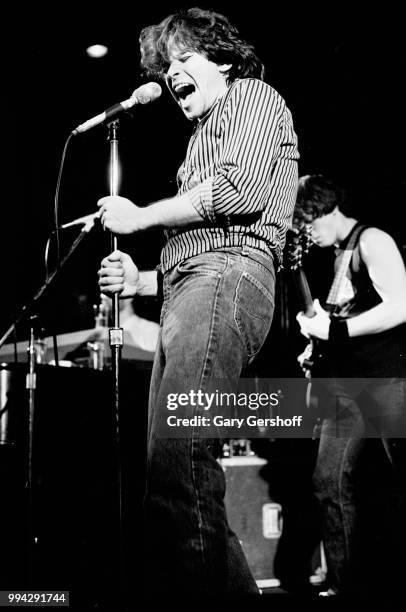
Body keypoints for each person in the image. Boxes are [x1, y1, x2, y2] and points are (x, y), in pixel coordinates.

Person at [98, 7, 299, 598]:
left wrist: (139, 217)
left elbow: (241, 190)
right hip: (200, 280)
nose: (171, 76)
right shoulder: (198, 140)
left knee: (181, 463)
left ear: (224, 60)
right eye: (165, 68)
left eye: (184, 59)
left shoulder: (253, 96)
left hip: (227, 276)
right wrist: (142, 283)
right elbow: (198, 250)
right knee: (169, 470)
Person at [295, 175, 406, 601]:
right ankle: (345, 586)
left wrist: (335, 332)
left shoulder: (371, 240)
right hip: (347, 387)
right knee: (329, 481)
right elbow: (341, 320)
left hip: (384, 382)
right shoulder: (335, 253)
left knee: (395, 483)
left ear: (325, 209)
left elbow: (399, 305)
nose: (307, 233)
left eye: (308, 223)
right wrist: (318, 347)